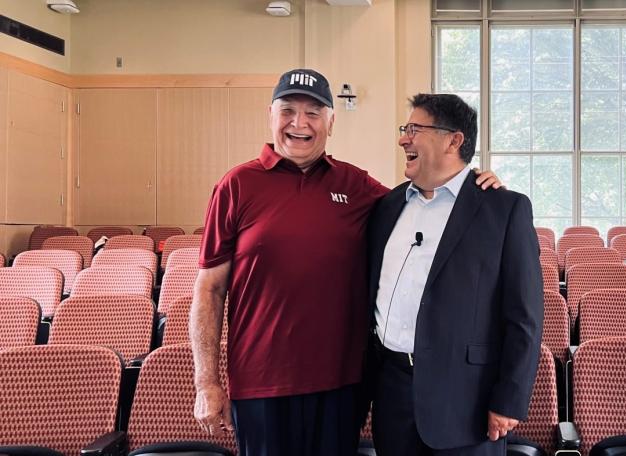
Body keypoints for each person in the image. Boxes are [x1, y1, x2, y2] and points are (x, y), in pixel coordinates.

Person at [189, 69, 500, 456]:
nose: (299, 124)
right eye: (288, 110)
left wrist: (473, 185)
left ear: (331, 123)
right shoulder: (235, 185)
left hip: (340, 386)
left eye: (314, 113)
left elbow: (428, 203)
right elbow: (209, 289)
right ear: (270, 114)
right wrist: (207, 383)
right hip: (260, 385)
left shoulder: (357, 187)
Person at [367, 93, 543, 456]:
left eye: (414, 129)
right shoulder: (387, 207)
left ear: (454, 140)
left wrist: (509, 399)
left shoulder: (503, 209)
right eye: (405, 129)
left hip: (467, 401)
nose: (403, 139)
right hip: (393, 394)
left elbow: (524, 316)